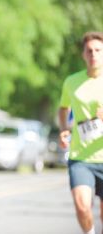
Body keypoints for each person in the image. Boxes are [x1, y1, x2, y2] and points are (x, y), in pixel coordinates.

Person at [58, 31, 103, 234]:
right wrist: (64, 129)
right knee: (82, 206)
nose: (93, 54)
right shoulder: (72, 82)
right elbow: (63, 108)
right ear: (83, 55)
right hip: (80, 156)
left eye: (97, 50)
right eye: (89, 51)